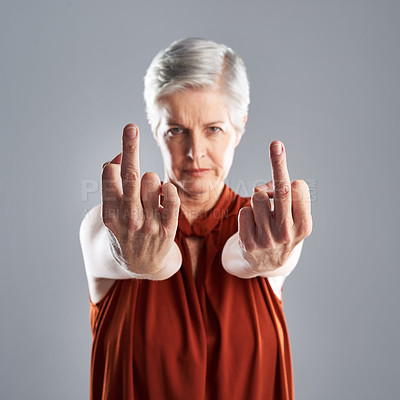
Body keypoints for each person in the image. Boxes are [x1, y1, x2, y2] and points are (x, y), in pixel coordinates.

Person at [79, 37, 312, 400]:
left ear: (239, 127)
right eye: (176, 130)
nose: (194, 152)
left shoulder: (264, 225)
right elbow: (106, 244)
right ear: (156, 130)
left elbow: (241, 255)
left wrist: (274, 254)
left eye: (213, 128)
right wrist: (138, 258)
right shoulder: (118, 227)